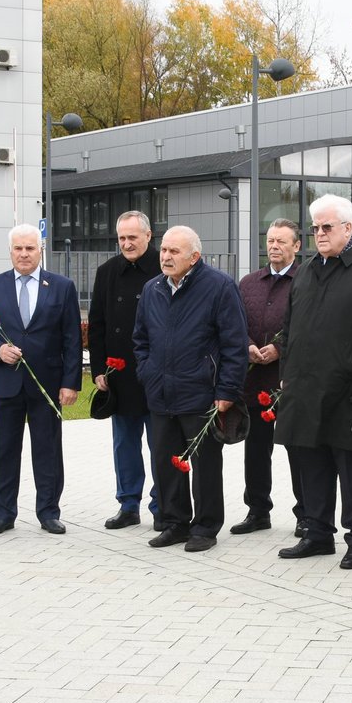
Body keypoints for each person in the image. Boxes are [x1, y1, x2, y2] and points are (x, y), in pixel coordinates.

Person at [273, 195, 352, 570]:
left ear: (349, 227)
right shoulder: (308, 271)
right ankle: (317, 533)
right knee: (311, 462)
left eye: (327, 227)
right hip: (306, 385)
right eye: (315, 228)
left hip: (351, 389)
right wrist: (287, 377)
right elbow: (291, 328)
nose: (319, 234)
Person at [133, 227, 249, 551]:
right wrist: (148, 372)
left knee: (205, 466)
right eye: (164, 250)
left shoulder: (219, 287)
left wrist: (226, 391)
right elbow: (140, 339)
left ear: (194, 257)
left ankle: (206, 527)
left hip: (202, 394)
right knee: (166, 463)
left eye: (174, 252)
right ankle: (175, 523)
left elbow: (235, 344)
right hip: (161, 394)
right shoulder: (152, 288)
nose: (166, 257)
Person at [0, 225, 82, 535]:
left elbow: (72, 338)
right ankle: (3, 513)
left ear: (40, 251)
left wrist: (70, 382)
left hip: (47, 384)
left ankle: (48, 512)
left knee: (47, 450)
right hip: (6, 383)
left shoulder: (61, 287)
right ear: (10, 252)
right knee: (3, 450)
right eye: (18, 249)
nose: (23, 254)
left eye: (29, 249)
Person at [88, 212, 162, 530]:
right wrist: (99, 368)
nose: (127, 243)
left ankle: (163, 504)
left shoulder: (164, 265)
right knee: (124, 443)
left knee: (161, 443)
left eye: (133, 237)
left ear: (148, 236)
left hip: (156, 373)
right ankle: (128, 504)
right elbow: (98, 323)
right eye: (122, 238)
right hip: (119, 373)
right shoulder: (107, 272)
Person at [232, 219, 304, 536]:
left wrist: (279, 348)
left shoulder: (307, 281)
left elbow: (309, 325)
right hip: (254, 382)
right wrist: (246, 345)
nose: (273, 246)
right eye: (270, 240)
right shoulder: (248, 283)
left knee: (298, 450)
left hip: (290, 381)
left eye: (281, 241)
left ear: (297, 246)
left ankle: (307, 514)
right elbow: (233, 321)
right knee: (256, 451)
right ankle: (257, 511)